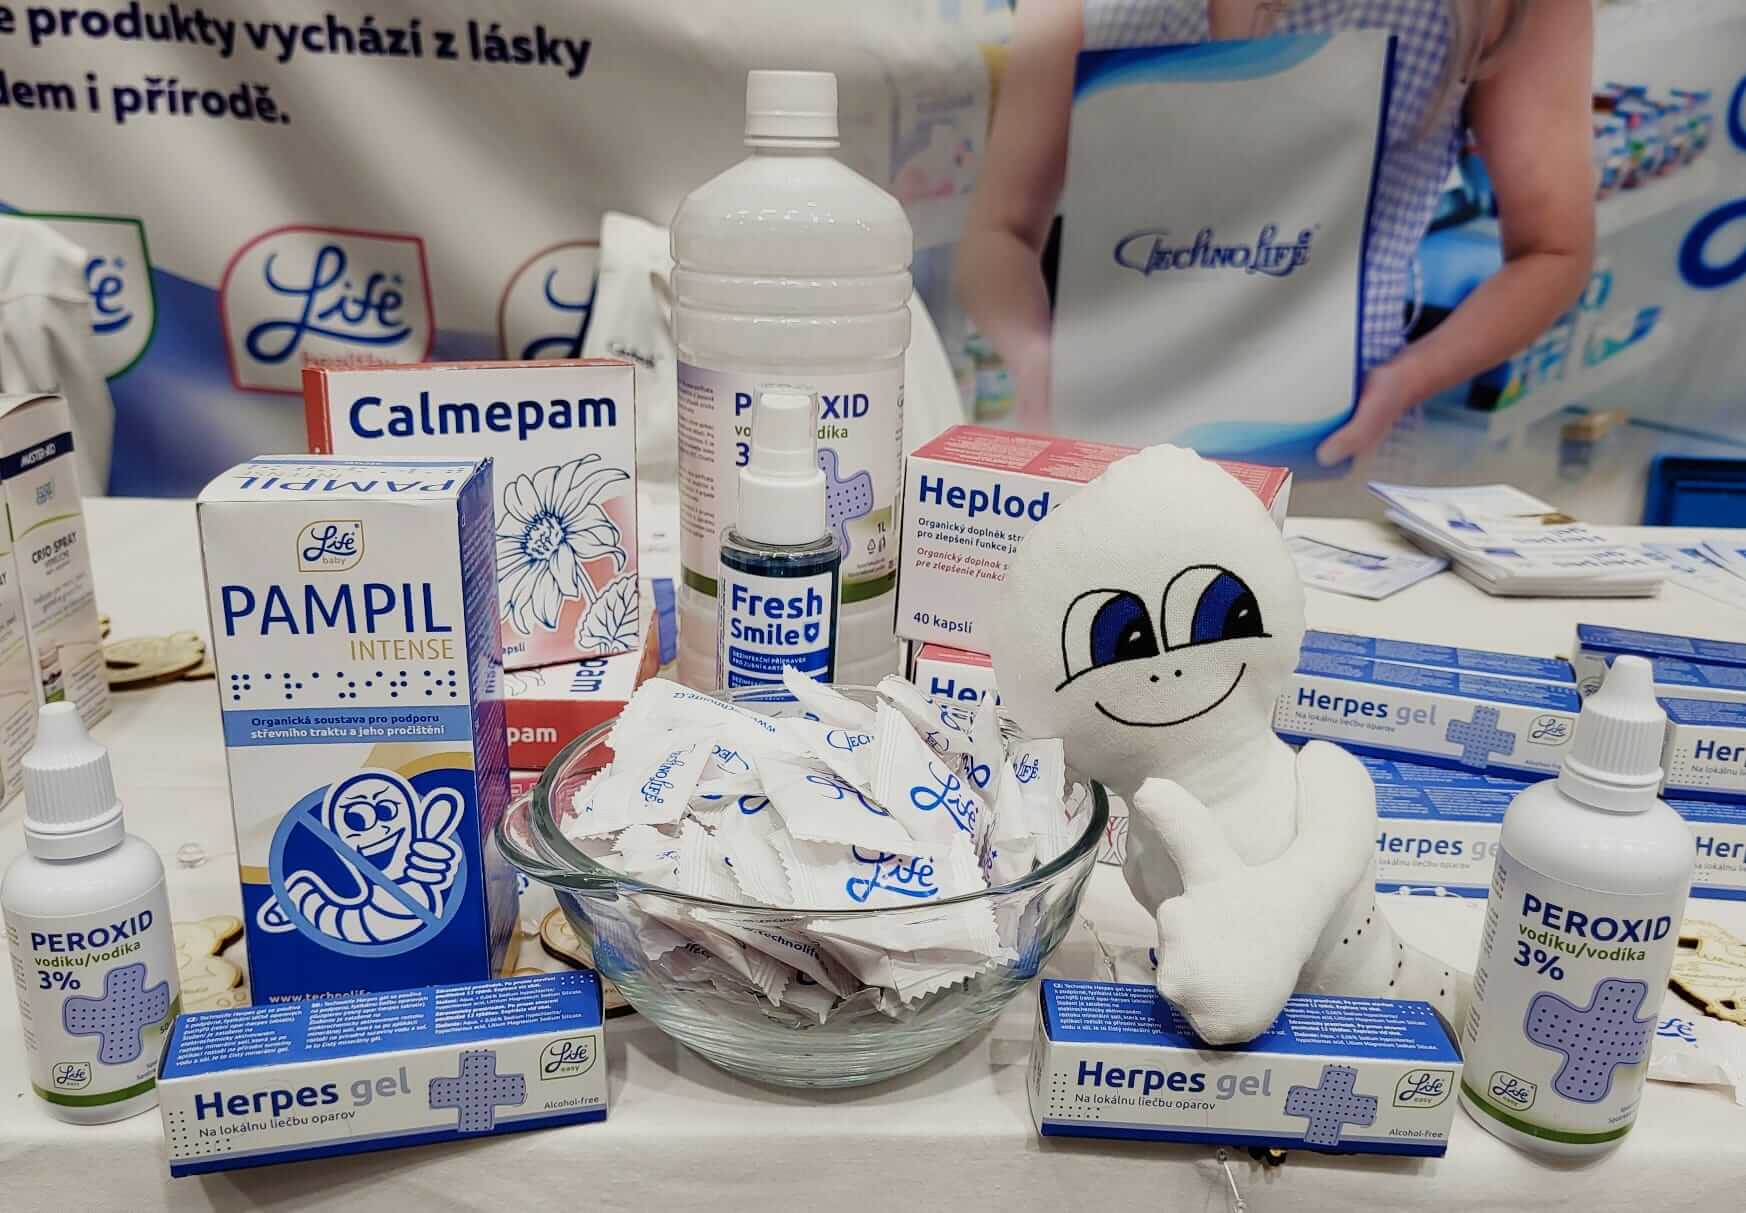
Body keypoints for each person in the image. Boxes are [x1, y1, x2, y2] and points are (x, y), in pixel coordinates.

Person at [956, 0, 1595, 464]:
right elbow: (1000, 231)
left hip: (1336, 450)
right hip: (1106, 444)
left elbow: (1553, 249)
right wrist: (1037, 364)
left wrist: (1408, 380)